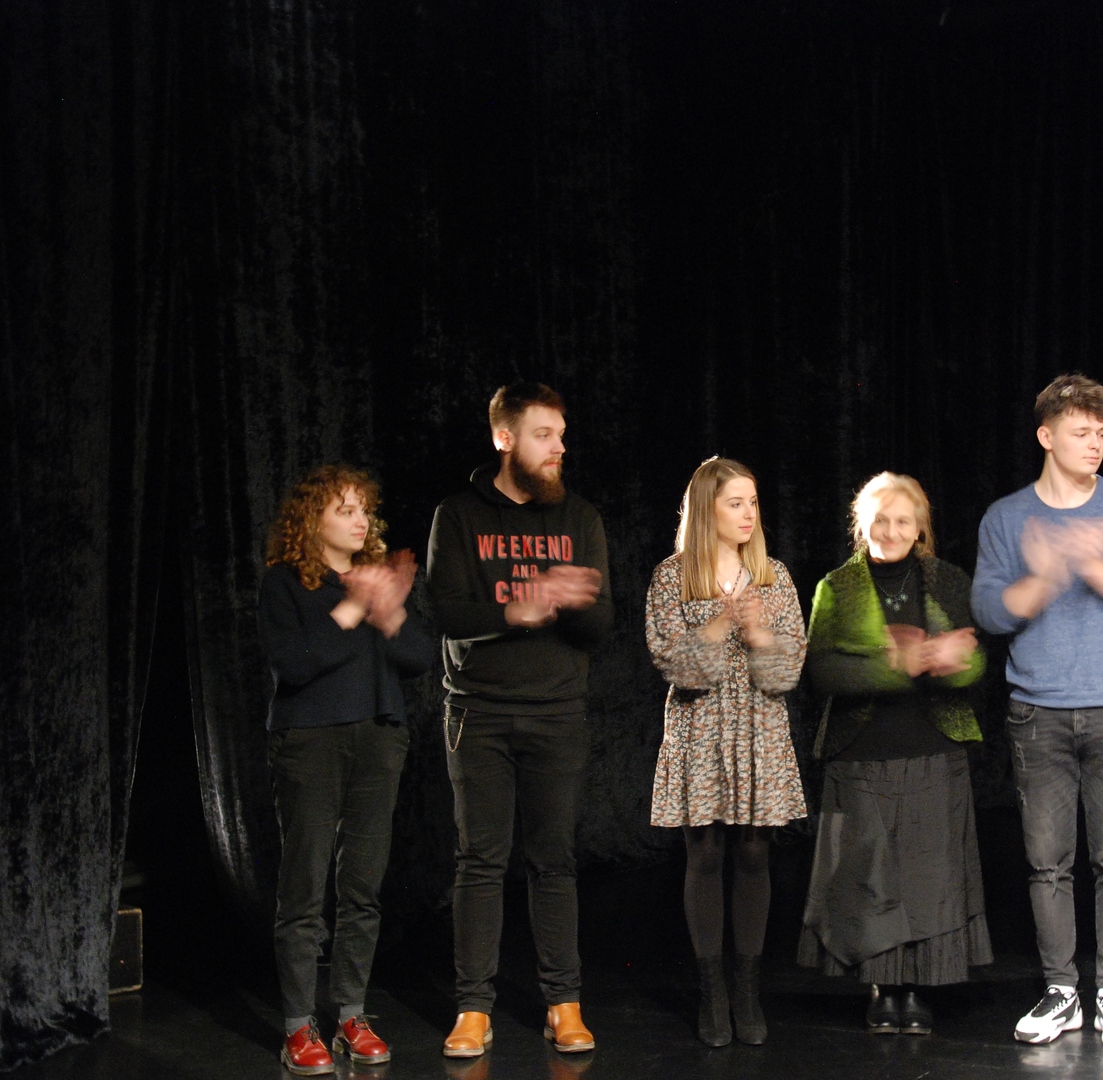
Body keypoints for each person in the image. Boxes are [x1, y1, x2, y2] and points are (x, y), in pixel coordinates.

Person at [971, 373, 1103, 1049]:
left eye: (1102, 433)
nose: (1095, 443)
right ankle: (1061, 990)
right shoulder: (1006, 517)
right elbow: (990, 611)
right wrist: (1048, 574)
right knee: (1047, 863)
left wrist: (1088, 562)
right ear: (1046, 436)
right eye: (1081, 432)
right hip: (1038, 711)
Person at [426, 382, 612, 1058]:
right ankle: (473, 1009)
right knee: (480, 861)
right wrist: (518, 607)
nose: (559, 448)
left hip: (556, 712)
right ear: (504, 438)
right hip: (478, 712)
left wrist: (569, 600)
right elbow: (443, 611)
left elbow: (601, 625)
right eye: (543, 435)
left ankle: (564, 1002)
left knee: (553, 860)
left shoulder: (580, 517)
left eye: (561, 435)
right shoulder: (457, 515)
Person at [797, 472, 994, 1036]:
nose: (890, 530)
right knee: (871, 880)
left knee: (930, 879)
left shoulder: (947, 580)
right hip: (862, 752)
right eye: (879, 519)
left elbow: (975, 662)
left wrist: (951, 661)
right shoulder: (837, 587)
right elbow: (822, 672)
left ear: (920, 528)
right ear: (861, 525)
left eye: (902, 520)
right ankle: (883, 989)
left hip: (933, 748)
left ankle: (919, 989)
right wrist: (899, 664)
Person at [258, 465, 436, 1075]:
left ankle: (351, 1014)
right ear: (313, 521)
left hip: (378, 738)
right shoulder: (285, 583)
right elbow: (294, 664)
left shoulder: (372, 580)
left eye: (364, 509)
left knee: (362, 886)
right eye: (346, 510)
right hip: (311, 741)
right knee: (305, 887)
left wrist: (388, 610)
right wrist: (354, 607)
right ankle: (298, 1025)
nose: (361, 520)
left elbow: (419, 656)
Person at [645, 457, 807, 1048]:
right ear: (706, 510)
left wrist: (759, 633)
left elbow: (788, 671)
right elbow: (676, 665)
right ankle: (712, 992)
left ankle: (746, 990)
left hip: (758, 730)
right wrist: (720, 624)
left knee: (755, 854)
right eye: (735, 503)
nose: (748, 514)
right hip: (701, 732)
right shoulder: (673, 578)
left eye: (753, 503)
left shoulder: (773, 576)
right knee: (706, 854)